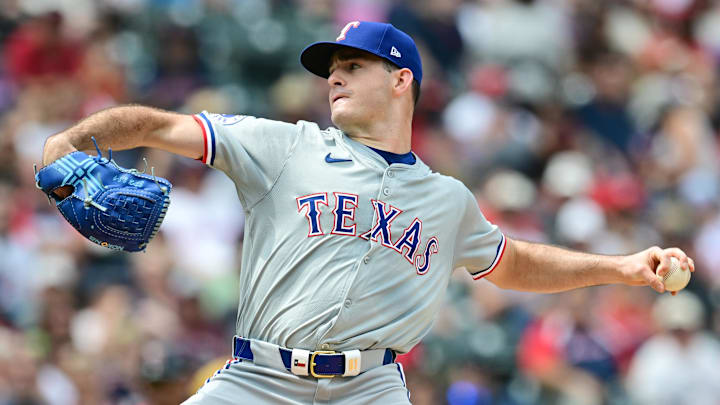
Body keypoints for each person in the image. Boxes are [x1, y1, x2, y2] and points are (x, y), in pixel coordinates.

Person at [41, 21, 695, 404]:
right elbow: (159, 123)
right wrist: (67, 141)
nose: (335, 78)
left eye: (353, 66)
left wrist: (622, 266)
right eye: (332, 70)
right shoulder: (285, 145)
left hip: (370, 390)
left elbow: (515, 262)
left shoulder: (447, 200)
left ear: (401, 78)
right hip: (259, 379)